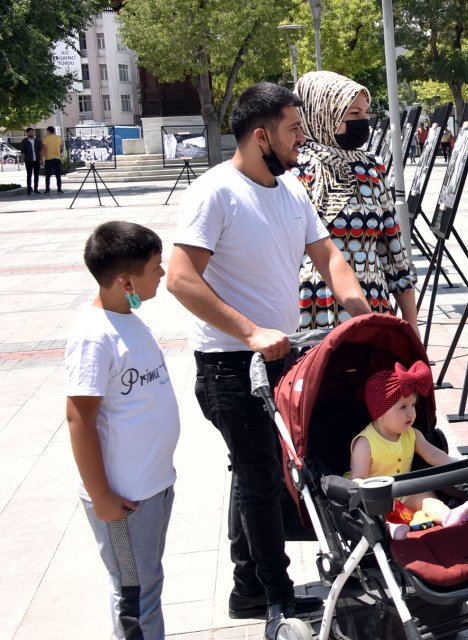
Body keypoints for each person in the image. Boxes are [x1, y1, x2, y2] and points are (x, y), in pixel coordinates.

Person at [166, 82, 373, 637]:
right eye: (293, 129)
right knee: (260, 476)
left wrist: (358, 312)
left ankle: (247, 586)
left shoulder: (291, 192)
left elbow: (330, 258)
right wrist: (251, 330)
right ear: (262, 136)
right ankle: (276, 600)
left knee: (258, 472)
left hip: (279, 359)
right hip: (230, 366)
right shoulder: (216, 192)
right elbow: (180, 280)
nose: (302, 138)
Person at [65, 221, 180, 640]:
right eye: (155, 268)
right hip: (124, 501)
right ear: (125, 280)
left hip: (153, 488)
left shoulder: (129, 319)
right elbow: (80, 418)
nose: (163, 274)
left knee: (148, 583)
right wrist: (102, 497)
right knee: (135, 595)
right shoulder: (93, 336)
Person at [292, 71, 417, 331]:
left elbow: (393, 251)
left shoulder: (370, 168)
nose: (363, 122)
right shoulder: (292, 170)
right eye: (353, 114)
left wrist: (411, 324)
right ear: (323, 114)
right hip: (309, 312)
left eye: (365, 114)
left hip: (370, 307)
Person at [350, 361, 468, 538]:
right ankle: (387, 528)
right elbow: (358, 478)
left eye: (413, 405)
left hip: (403, 490)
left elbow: (433, 454)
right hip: (376, 496)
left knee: (426, 495)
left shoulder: (412, 435)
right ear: (380, 414)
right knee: (370, 508)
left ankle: (448, 516)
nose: (411, 413)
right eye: (403, 407)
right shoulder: (365, 442)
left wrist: (460, 466)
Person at [42, 126, 63, 194]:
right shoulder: (59, 138)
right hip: (57, 158)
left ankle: (47, 189)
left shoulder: (45, 138)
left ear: (48, 131)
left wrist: (42, 157)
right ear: (54, 130)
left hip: (48, 158)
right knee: (58, 175)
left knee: (48, 175)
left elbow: (44, 148)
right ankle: (59, 189)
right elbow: (61, 147)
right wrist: (59, 153)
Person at [20, 127, 40, 194]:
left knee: (36, 175)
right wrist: (22, 159)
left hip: (36, 160)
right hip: (28, 160)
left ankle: (36, 189)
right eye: (30, 132)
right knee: (29, 175)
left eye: (32, 132)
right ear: (27, 133)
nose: (32, 133)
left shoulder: (37, 141)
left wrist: (41, 159)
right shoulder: (24, 141)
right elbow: (22, 151)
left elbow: (40, 150)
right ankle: (29, 189)